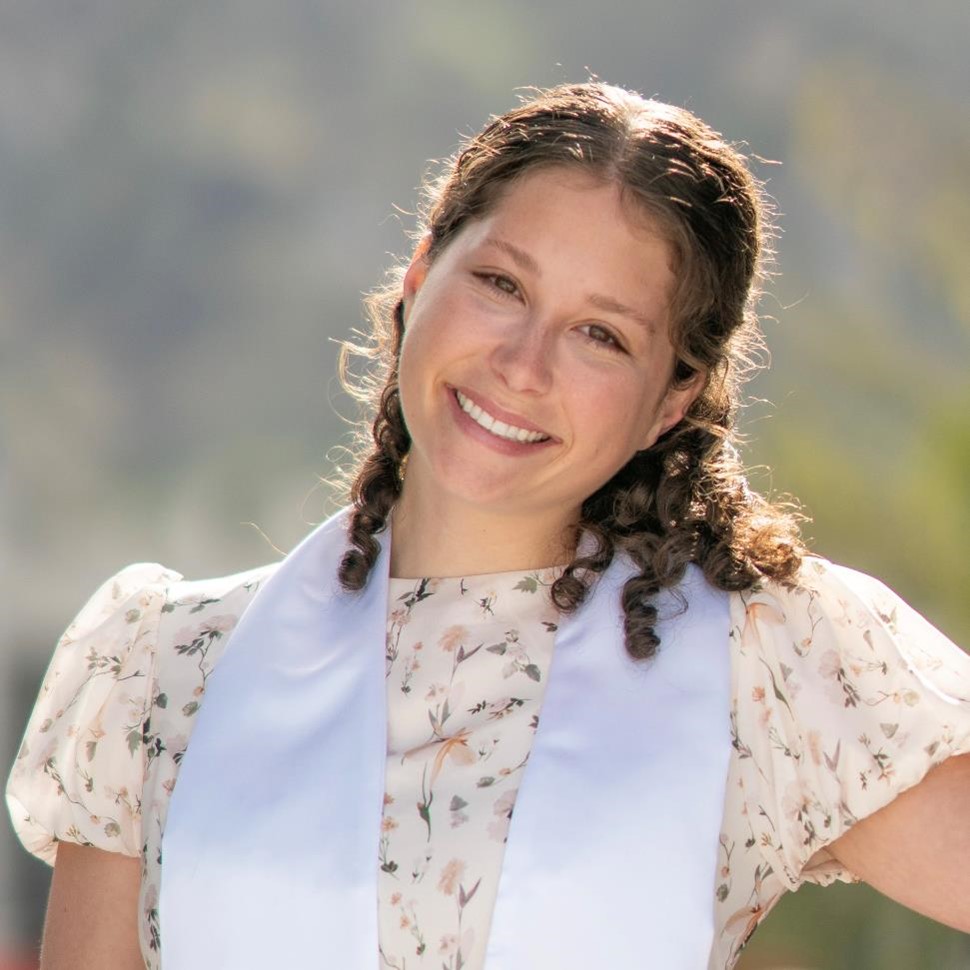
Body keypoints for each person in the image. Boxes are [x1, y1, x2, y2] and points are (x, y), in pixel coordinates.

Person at [7, 82, 970, 970]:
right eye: (503, 285)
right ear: (421, 273)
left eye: (601, 335)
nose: (523, 365)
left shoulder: (763, 661)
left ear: (672, 400)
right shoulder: (160, 671)